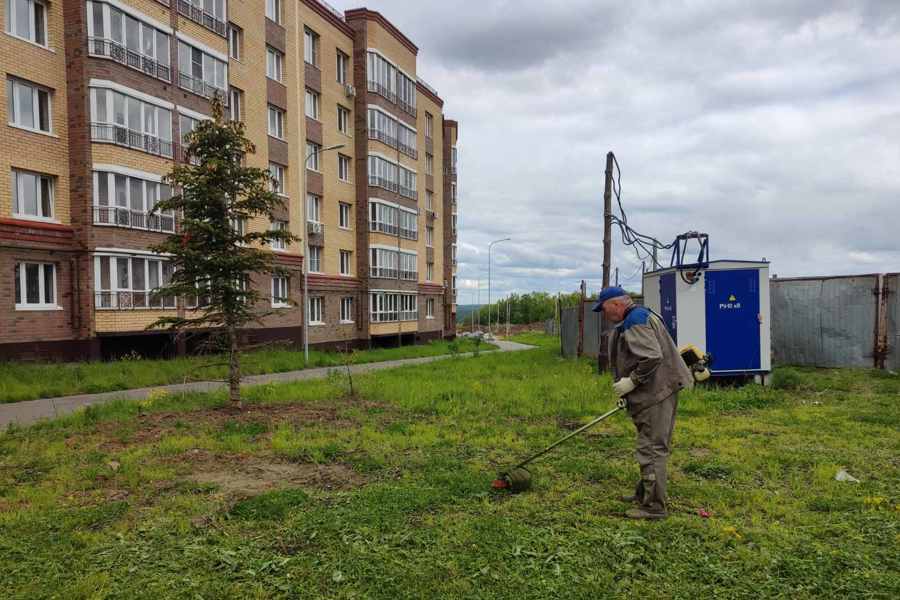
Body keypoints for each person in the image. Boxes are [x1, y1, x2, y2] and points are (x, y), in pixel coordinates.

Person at [592, 287, 694, 520]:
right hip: (659, 390)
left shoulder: (634, 320)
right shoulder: (642, 314)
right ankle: (644, 493)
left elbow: (651, 356)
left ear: (616, 304)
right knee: (652, 442)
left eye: (605, 309)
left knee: (651, 447)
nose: (604, 314)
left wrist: (632, 381)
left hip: (655, 393)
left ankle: (654, 506)